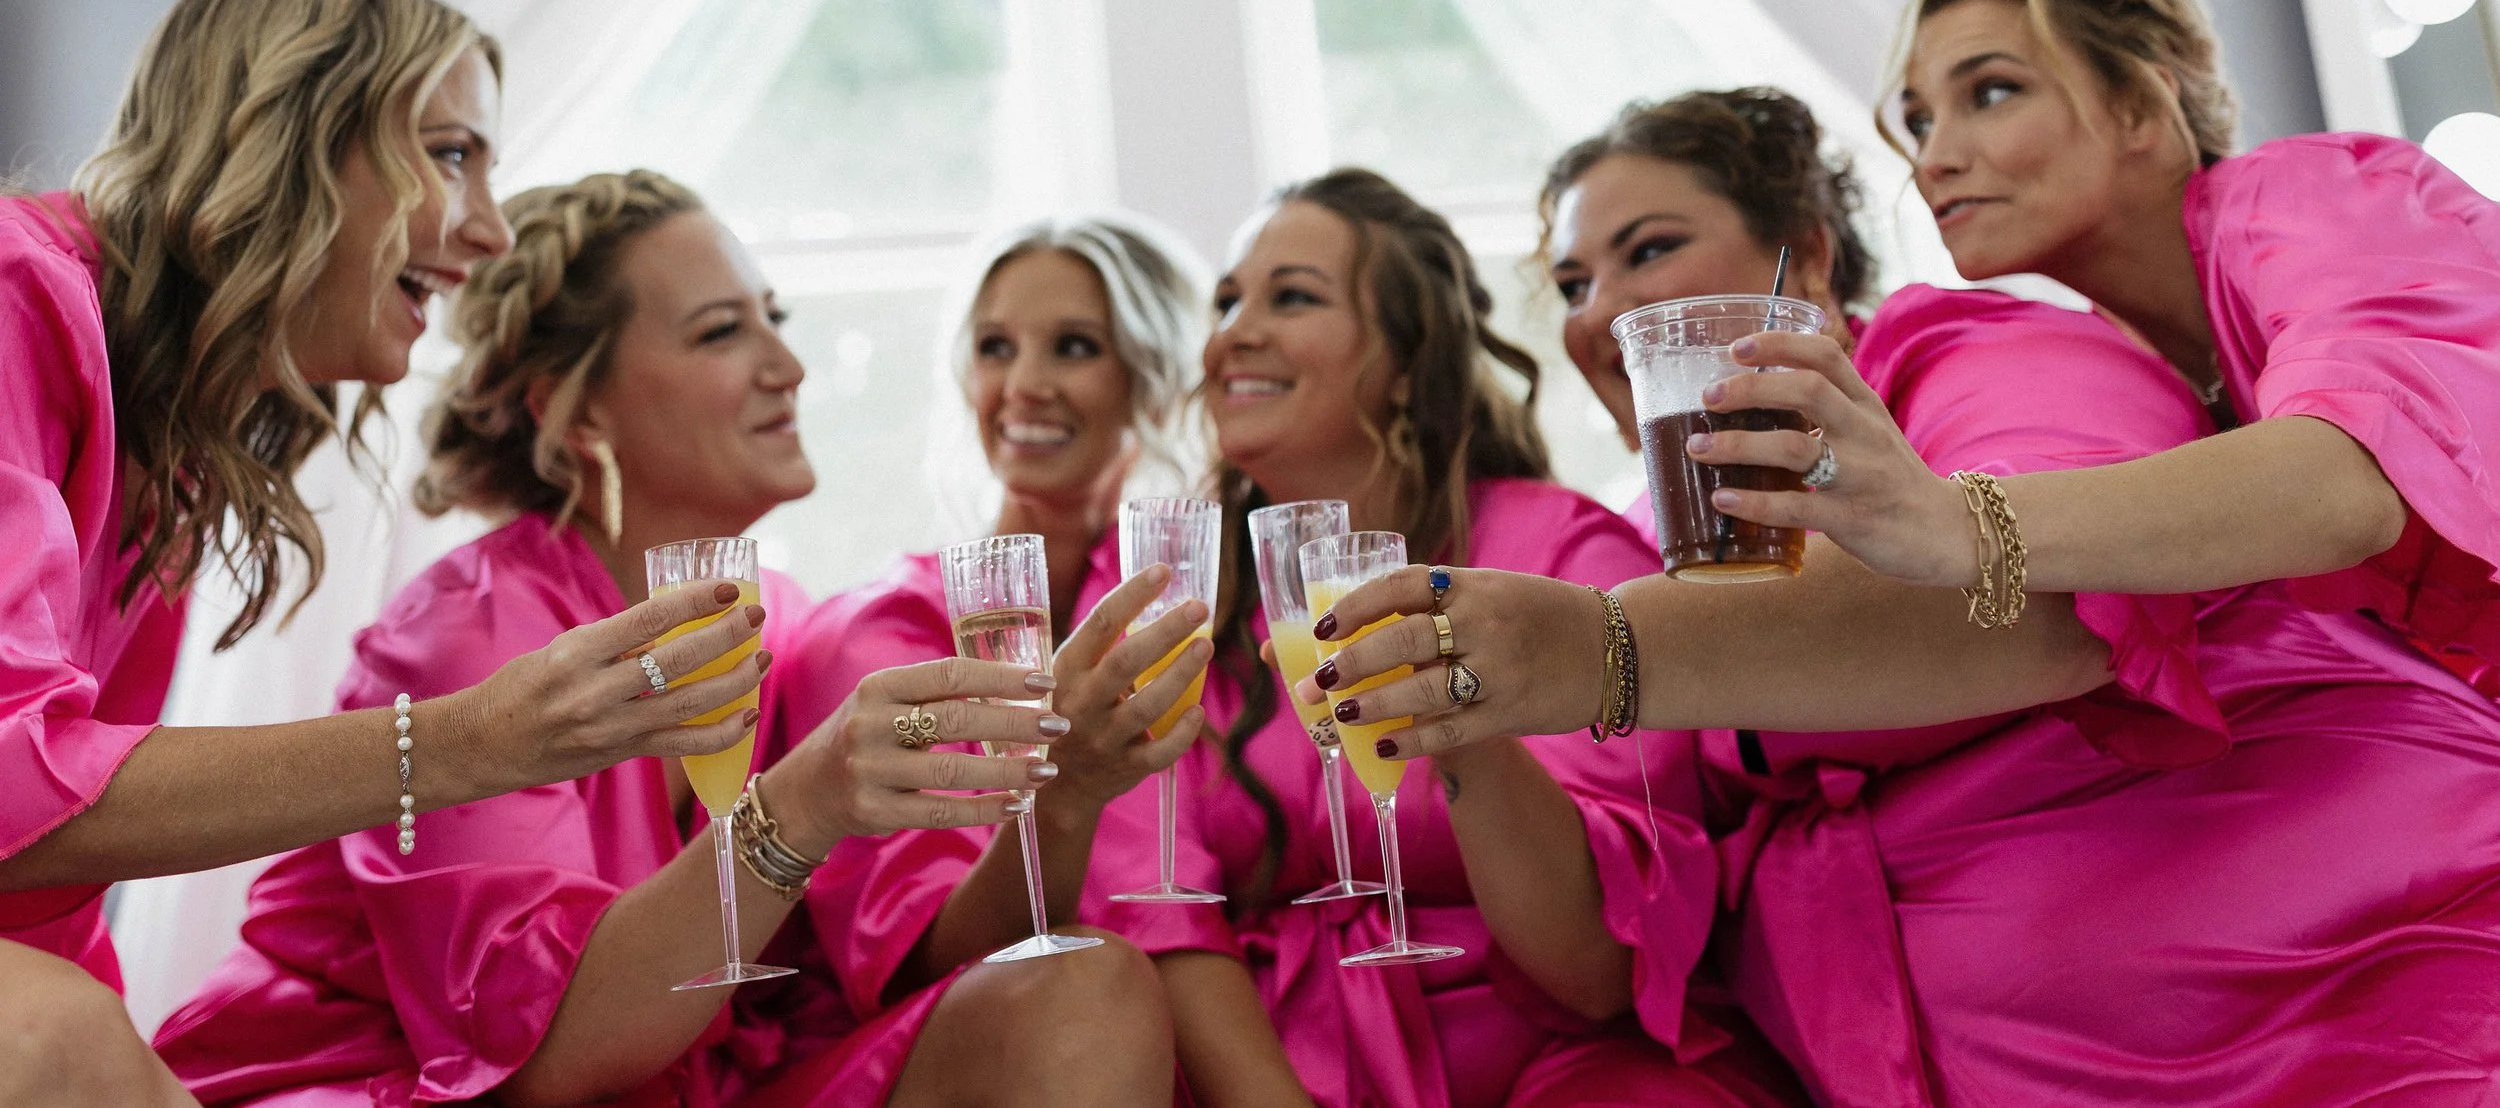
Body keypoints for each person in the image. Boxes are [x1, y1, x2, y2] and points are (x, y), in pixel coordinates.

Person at [1310, 91, 2500, 1099]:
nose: (1601, 308)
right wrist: (1470, 722)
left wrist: (1594, 651)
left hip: (2326, 973)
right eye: (1571, 276)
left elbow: (2050, 618)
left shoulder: (1975, 355)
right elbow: (1597, 942)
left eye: (1650, 248)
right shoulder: (1636, 542)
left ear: (1809, 255)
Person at [156, 173, 1170, 1107]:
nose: (789, 365)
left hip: (691, 1087)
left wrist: (1064, 789)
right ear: (572, 404)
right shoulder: (468, 636)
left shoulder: (783, 615)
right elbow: (549, 1054)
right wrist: (801, 800)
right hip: (411, 1089)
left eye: (776, 319)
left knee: (1078, 987)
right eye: (724, 331)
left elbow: (916, 963)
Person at [0, 0, 765, 1107]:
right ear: (286, 134)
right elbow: (19, 787)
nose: (491, 230)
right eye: (452, 153)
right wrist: (469, 739)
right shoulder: (18, 296)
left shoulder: (156, 429)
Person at [1099, 168, 1800, 1108]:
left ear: (1404, 357)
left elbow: (1595, 968)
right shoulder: (1168, 581)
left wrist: (1464, 717)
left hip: (1549, 1058)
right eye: (1227, 300)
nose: (1235, 332)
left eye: (1292, 296)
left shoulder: (1567, 553)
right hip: (1268, 1061)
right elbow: (1157, 909)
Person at [1692, 0, 2500, 692]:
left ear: (2139, 105)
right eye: (1920, 121)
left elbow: (2351, 484)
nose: (1932, 159)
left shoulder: (2320, 188)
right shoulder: (2114, 360)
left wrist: (1949, 522)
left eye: (1993, 91)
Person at [765, 214, 1212, 1094]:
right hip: (924, 1064)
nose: (1025, 385)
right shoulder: (882, 636)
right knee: (1089, 985)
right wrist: (1069, 788)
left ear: (1152, 383)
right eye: (996, 347)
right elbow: (941, 964)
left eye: (1075, 346)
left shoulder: (1180, 624)